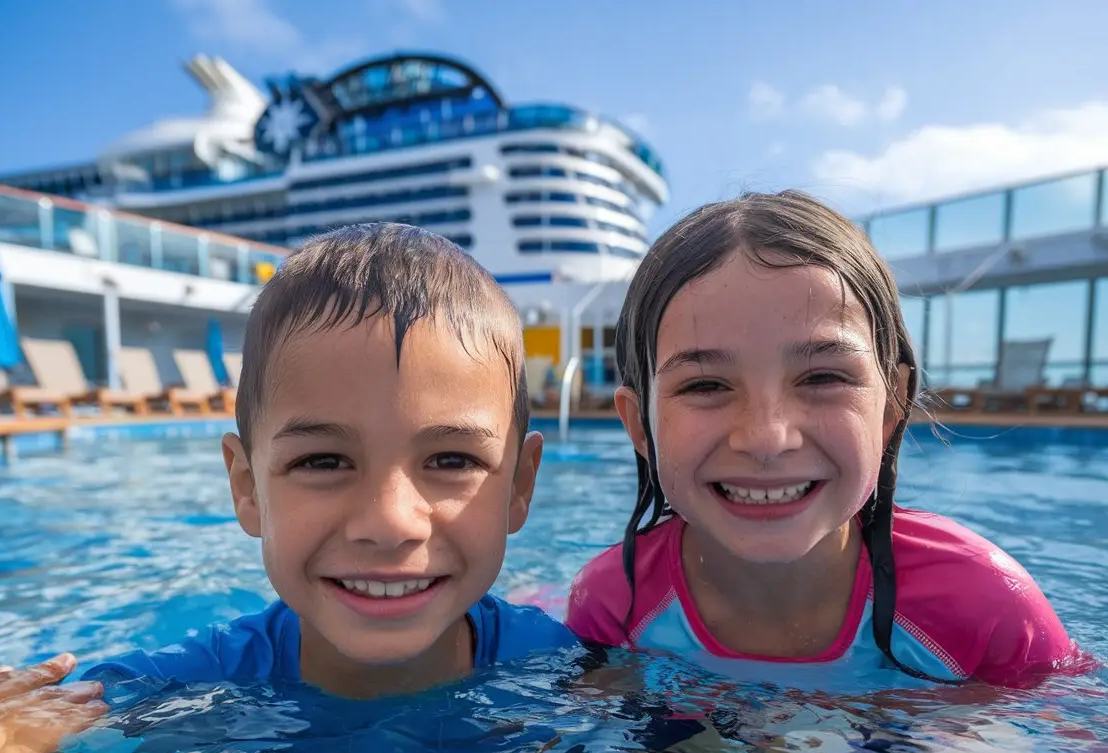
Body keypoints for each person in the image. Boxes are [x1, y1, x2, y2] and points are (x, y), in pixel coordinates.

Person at [567, 190, 1088, 688]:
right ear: (638, 425)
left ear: (892, 403)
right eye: (705, 385)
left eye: (823, 378)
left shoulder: (985, 606)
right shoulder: (613, 604)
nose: (767, 438)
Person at [83, 223, 578, 700]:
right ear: (247, 488)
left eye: (452, 460)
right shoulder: (176, 688)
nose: (389, 524)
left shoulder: (572, 676)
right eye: (322, 462)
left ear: (520, 484)